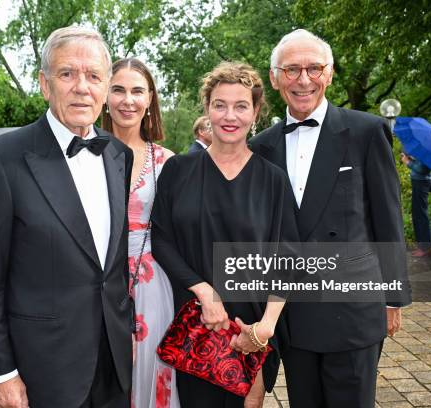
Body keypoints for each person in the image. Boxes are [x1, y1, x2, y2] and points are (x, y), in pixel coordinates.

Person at [0, 26, 134, 408]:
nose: (82, 87)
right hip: (43, 369)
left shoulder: (116, 155)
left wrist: (125, 334)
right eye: (67, 74)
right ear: (45, 84)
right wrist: (1, 373)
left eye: (93, 76)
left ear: (106, 88)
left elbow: (114, 265)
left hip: (114, 365)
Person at [249, 29, 412, 408]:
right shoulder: (262, 147)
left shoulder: (366, 131)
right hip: (293, 312)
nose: (303, 79)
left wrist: (394, 297)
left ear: (330, 73)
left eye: (314, 68)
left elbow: (388, 217)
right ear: (275, 78)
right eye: (291, 70)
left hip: (353, 310)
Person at [151, 61, 298, 408]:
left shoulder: (273, 179)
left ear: (256, 112)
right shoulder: (178, 170)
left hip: (251, 329)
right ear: (207, 110)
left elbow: (288, 256)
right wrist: (204, 293)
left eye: (241, 105)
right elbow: (161, 239)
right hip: (197, 326)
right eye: (220, 105)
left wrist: (265, 328)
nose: (229, 116)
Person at [101, 57, 180, 408]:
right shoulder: (84, 154)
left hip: (152, 284)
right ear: (105, 95)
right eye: (118, 89)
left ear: (150, 99)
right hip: (98, 283)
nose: (127, 100)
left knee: (154, 374)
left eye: (137, 91)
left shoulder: (167, 161)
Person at [400, 153, 431, 257]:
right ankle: (423, 246)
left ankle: (425, 248)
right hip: (418, 182)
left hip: (421, 183)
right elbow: (420, 164)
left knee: (420, 215)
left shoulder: (428, 148)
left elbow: (424, 169)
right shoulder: (424, 147)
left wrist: (408, 162)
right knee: (417, 214)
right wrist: (410, 157)